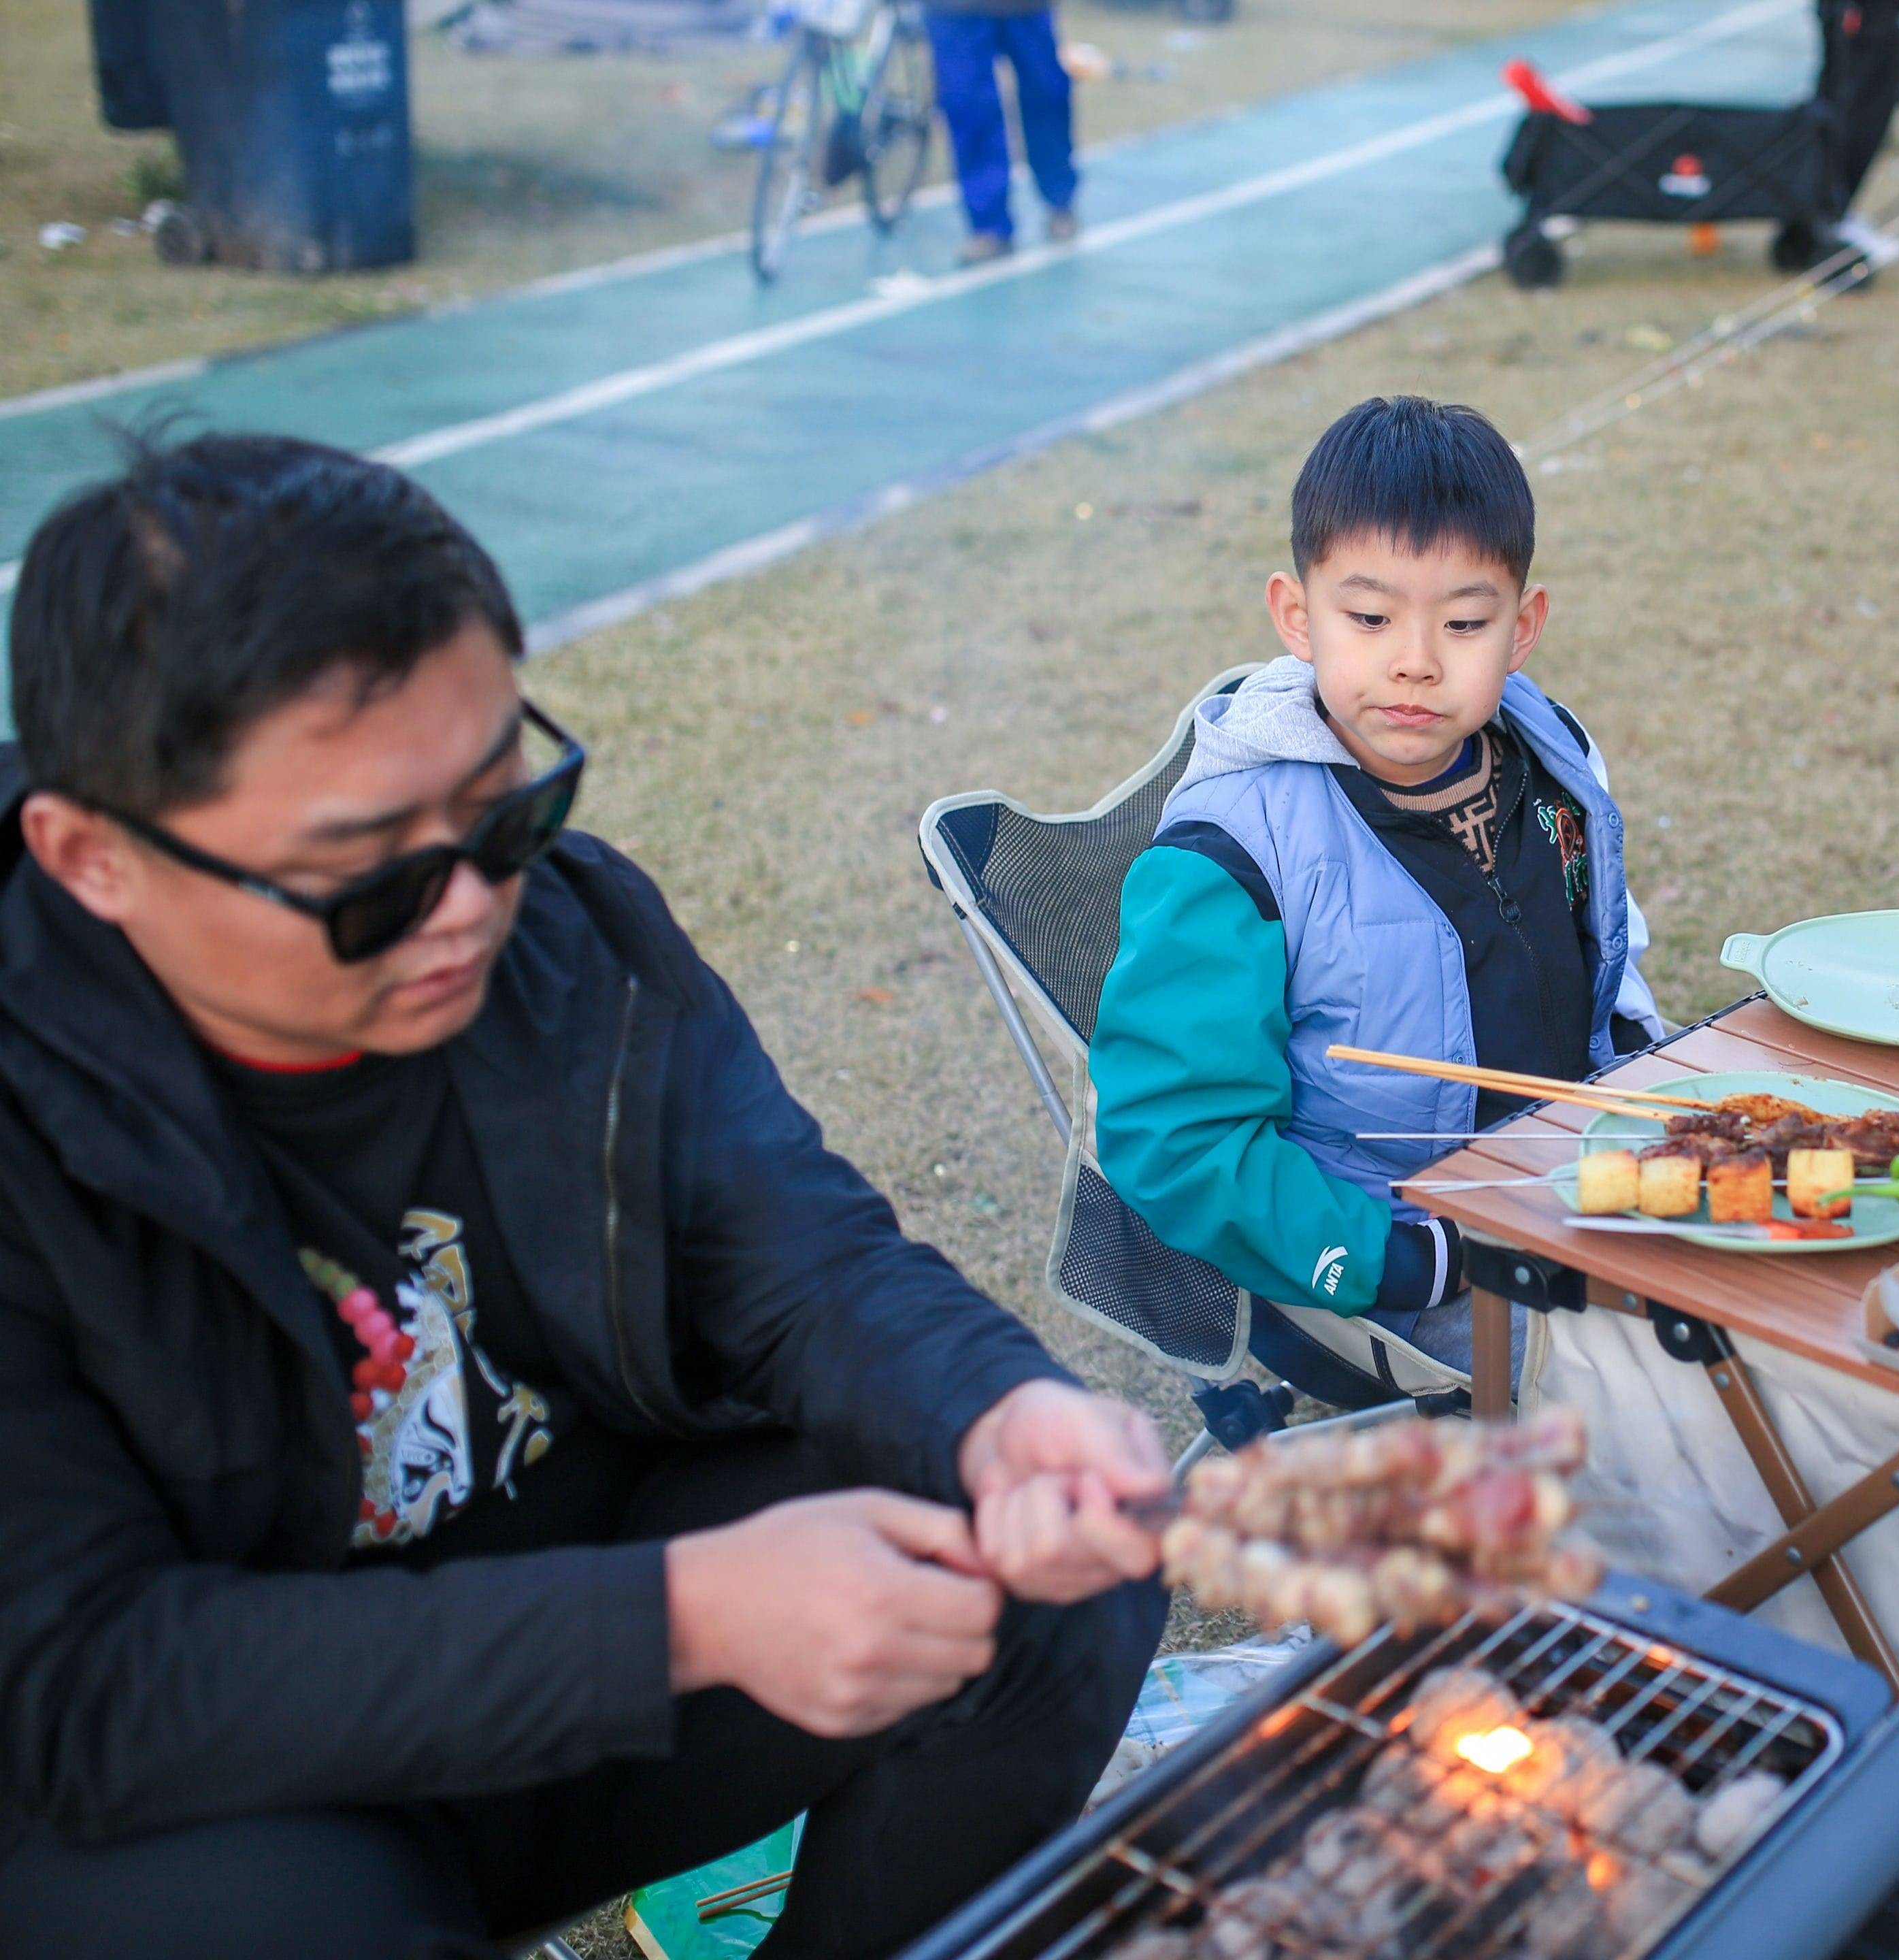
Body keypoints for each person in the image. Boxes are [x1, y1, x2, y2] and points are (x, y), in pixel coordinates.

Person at [0, 434, 1170, 1960]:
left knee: (1043, 1574)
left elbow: (799, 1260)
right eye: (366, 876)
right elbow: (83, 1685)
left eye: (502, 810)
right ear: (93, 858)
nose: (473, 907)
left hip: (587, 1664)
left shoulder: (569, 937)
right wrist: (680, 1618)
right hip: (222, 1782)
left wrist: (998, 1413)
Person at [1088, 396, 1662, 1405]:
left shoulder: (1553, 757)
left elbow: (1607, 963)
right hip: (1384, 1275)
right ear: (1296, 617)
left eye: (1465, 623)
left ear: (1522, 628)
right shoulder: (1230, 851)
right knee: (1673, 1403)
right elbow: (1174, 1140)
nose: (1417, 661)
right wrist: (1405, 1259)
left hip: (1578, 1194)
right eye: (1369, 618)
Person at [927, 0, 1080, 263]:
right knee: (968, 106)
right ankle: (989, 225)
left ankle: (1059, 199)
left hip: (1025, 7)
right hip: (954, 10)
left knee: (1046, 95)